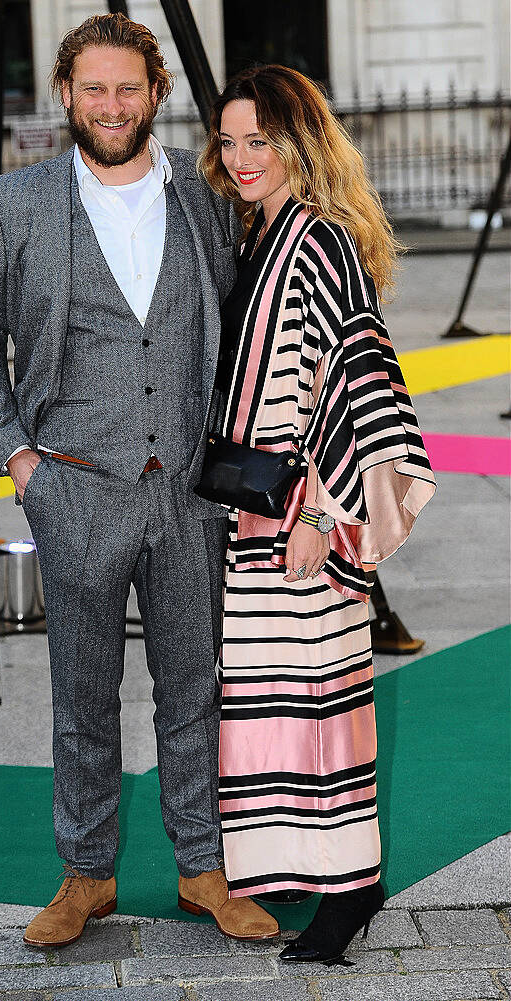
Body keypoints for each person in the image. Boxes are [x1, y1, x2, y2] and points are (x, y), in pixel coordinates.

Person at [0, 14, 279, 947]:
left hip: (185, 490)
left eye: (128, 88)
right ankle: (86, 874)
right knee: (82, 695)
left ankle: (203, 870)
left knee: (194, 689)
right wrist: (16, 456)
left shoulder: (203, 188)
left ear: (155, 94)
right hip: (76, 487)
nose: (111, 105)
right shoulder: (13, 203)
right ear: (65, 93)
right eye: (93, 88)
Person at [198, 64, 436, 963]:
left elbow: (358, 375)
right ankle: (310, 864)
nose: (242, 156)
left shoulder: (321, 241)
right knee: (276, 699)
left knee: (319, 696)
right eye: (229, 140)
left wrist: (324, 509)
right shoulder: (262, 234)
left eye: (260, 139)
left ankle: (350, 887)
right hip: (254, 509)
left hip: (301, 510)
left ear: (298, 142)